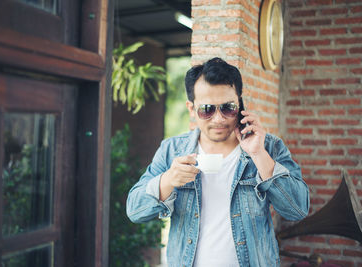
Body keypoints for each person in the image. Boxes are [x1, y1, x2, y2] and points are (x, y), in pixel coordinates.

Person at [126, 57, 310, 267]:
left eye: (228, 108)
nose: (219, 119)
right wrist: (168, 180)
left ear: (240, 104)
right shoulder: (171, 151)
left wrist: (259, 154)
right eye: (207, 109)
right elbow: (135, 211)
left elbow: (297, 210)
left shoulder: (269, 147)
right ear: (191, 108)